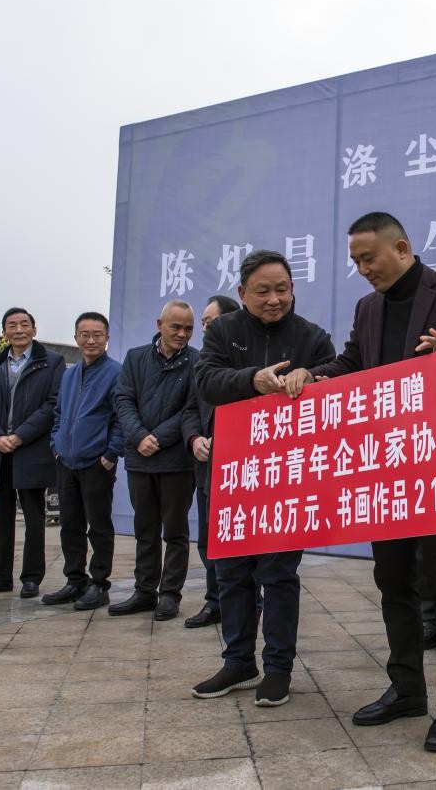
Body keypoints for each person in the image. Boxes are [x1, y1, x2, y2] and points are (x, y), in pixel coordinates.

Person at [287, 212, 436, 752]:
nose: (363, 269)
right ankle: (407, 688)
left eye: (369, 258)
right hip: (387, 467)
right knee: (393, 581)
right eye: (356, 262)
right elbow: (353, 363)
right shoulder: (368, 308)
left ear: (403, 248)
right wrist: (313, 376)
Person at [192, 252, 334, 708]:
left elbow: (339, 376)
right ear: (242, 293)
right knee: (231, 573)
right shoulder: (223, 331)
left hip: (286, 476)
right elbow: (206, 381)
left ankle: (277, 668)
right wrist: (252, 380)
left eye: (282, 289)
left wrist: (313, 376)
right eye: (263, 291)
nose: (275, 299)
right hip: (234, 473)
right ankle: (238, 662)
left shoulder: (311, 336)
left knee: (278, 574)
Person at [111, 300, 199, 620]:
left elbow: (190, 410)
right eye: (176, 327)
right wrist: (138, 436)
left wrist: (158, 438)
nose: (182, 334)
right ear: (159, 324)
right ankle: (144, 591)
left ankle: (170, 594)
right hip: (139, 459)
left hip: (176, 462)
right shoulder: (136, 358)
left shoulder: (197, 362)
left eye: (189, 328)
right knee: (145, 529)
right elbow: (123, 399)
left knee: (175, 532)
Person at [0, 308, 65, 598]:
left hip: (31, 450)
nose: (19, 330)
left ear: (34, 330)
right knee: (1, 518)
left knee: (34, 518)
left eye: (25, 324)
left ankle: (31, 578)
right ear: (4, 333)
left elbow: (53, 404)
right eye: (12, 325)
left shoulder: (52, 361)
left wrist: (20, 436)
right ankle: (0, 576)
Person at [43, 311, 124, 610]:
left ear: (107, 338)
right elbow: (58, 414)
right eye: (85, 335)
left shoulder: (115, 373)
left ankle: (99, 583)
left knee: (99, 526)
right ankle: (74, 580)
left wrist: (110, 454)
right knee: (70, 524)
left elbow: (121, 417)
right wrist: (56, 445)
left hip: (96, 463)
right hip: (66, 461)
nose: (91, 340)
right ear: (76, 337)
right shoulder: (69, 374)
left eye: (97, 335)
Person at [182, 294, 241, 629]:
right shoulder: (203, 362)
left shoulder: (244, 357)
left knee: (238, 541)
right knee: (208, 540)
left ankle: (247, 599)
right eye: (203, 323)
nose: (204, 329)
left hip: (241, 468)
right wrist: (194, 438)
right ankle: (215, 601)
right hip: (207, 466)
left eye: (210, 322)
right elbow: (191, 408)